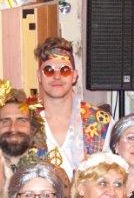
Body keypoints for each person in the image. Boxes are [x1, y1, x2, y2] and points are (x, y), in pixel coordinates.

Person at [31, 37, 113, 177]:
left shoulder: (101, 122)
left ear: (74, 76)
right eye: (49, 70)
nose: (57, 76)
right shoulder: (25, 121)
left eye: (65, 70)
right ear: (39, 76)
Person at [0, 81, 50, 171]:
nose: (13, 128)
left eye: (21, 121)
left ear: (32, 128)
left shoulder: (48, 168)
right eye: (5, 121)